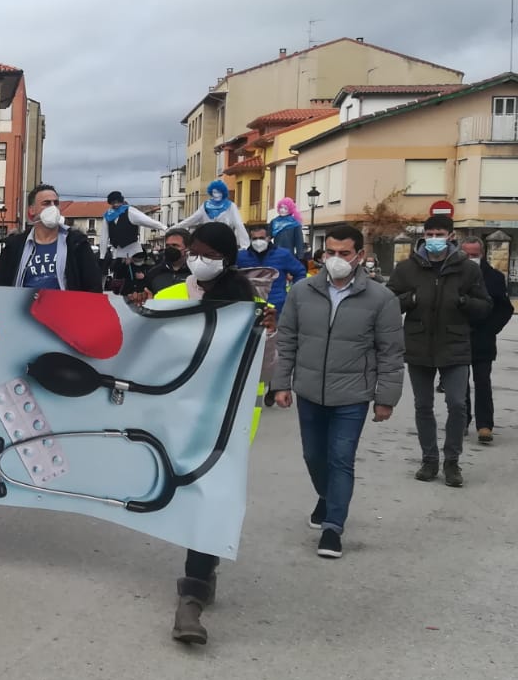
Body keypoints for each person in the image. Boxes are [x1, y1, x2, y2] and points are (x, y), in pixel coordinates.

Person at [151, 222, 264, 644]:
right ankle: (203, 574)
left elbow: (253, 366)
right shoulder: (168, 297)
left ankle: (193, 590)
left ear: (227, 259)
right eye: (193, 250)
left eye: (208, 253)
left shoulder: (243, 304)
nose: (197, 258)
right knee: (185, 494)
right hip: (176, 415)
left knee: (209, 495)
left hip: (223, 420)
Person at [269, 223, 405, 560]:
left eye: (344, 253)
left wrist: (386, 398)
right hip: (310, 391)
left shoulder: (381, 299)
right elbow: (286, 342)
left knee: (340, 459)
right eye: (330, 252)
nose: (336, 259)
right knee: (313, 456)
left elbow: (391, 352)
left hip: (353, 395)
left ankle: (333, 528)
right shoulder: (302, 292)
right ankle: (328, 497)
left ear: (360, 255)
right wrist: (280, 383)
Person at [386, 215, 489, 488]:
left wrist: (464, 301)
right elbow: (389, 302)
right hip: (419, 344)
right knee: (423, 405)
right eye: (429, 233)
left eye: (439, 234)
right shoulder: (408, 268)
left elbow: (484, 306)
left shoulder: (467, 269)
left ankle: (452, 461)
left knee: (457, 403)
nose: (433, 239)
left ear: (451, 236)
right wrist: (411, 299)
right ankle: (429, 459)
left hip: (455, 345)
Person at [0, 183, 104, 291]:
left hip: (65, 307)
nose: (53, 207)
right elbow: (0, 285)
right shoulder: (14, 246)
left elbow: (93, 285)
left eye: (56, 203)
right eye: (46, 203)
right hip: (25, 307)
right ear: (32, 210)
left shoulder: (77, 244)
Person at [460, 236, 513, 445]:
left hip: (483, 339)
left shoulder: (494, 277)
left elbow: (505, 308)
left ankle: (484, 425)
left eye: (475, 255)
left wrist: (491, 329)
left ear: (481, 254)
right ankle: (461, 420)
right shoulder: (452, 275)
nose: (471, 258)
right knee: (458, 384)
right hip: (458, 338)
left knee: (482, 382)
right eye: (467, 255)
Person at [99, 189, 168, 293]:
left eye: (118, 202)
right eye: (113, 202)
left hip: (134, 250)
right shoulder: (107, 216)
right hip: (118, 252)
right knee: (119, 278)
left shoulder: (130, 211)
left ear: (122, 201)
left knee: (136, 278)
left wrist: (163, 227)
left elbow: (146, 220)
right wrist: (102, 255)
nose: (116, 204)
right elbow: (103, 236)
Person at [237, 221, 307, 313]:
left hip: (277, 306)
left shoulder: (283, 255)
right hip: (249, 307)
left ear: (268, 238)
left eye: (261, 238)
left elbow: (300, 272)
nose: (258, 242)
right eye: (254, 239)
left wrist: (293, 294)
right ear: (250, 240)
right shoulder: (241, 257)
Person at [180, 180, 250, 250]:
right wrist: (173, 228)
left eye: (219, 192)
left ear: (223, 193)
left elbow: (239, 224)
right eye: (214, 192)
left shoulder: (231, 206)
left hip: (225, 242)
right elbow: (191, 220)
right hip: (208, 242)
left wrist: (245, 245)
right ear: (211, 193)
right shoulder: (205, 206)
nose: (217, 195)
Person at [137, 228, 191, 298]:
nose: (170, 249)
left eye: (175, 245)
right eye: (168, 246)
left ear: (187, 248)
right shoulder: (153, 273)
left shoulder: (196, 274)